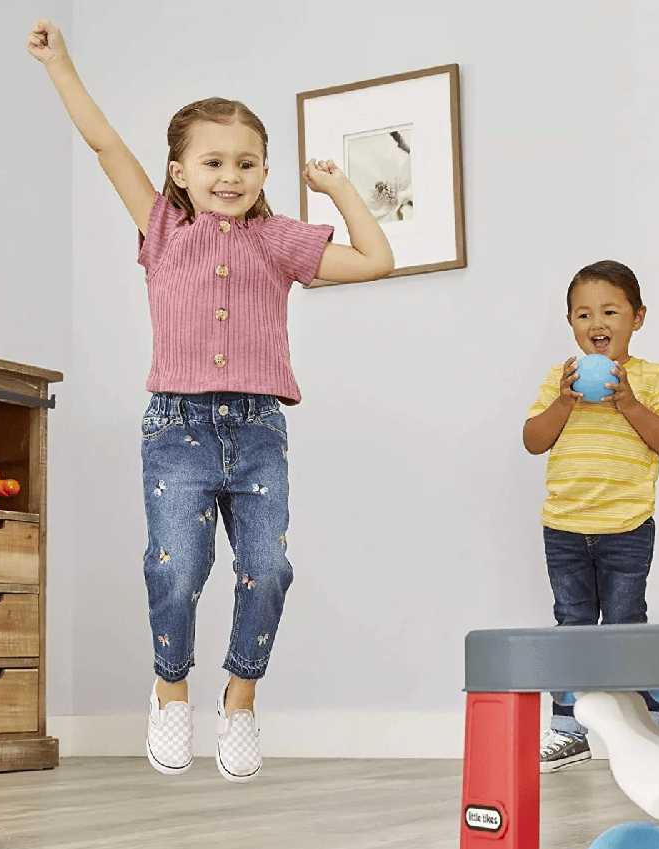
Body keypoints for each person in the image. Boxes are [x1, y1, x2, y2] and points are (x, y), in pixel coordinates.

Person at [27, 19, 394, 782]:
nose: (231, 174)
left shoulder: (281, 239)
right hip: (177, 428)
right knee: (176, 568)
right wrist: (61, 64)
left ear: (265, 170)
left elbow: (376, 260)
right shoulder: (161, 226)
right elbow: (103, 146)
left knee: (268, 568)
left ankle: (240, 702)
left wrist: (339, 188)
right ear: (180, 172)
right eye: (214, 161)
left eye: (248, 162)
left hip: (258, 427)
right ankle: (170, 693)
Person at [523, 261, 659, 772]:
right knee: (572, 624)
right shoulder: (561, 378)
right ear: (570, 323)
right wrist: (565, 403)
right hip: (566, 526)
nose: (597, 321)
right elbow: (533, 440)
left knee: (624, 623)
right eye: (584, 313)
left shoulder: (651, 378)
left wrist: (630, 404)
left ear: (637, 318)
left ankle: (646, 724)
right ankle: (569, 729)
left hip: (627, 527)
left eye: (610, 311)